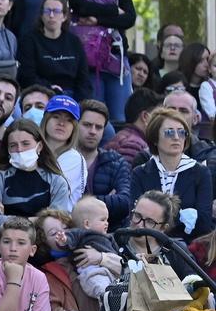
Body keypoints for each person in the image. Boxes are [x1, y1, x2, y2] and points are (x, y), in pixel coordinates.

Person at [68, 0, 136, 126]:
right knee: (92, 116)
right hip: (88, 63)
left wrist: (97, 19)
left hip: (116, 63)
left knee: (120, 118)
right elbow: (81, 7)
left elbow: (129, 19)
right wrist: (114, 10)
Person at [129, 107, 211, 241]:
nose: (177, 137)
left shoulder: (200, 172)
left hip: (187, 246)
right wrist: (182, 218)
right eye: (169, 132)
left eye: (182, 132)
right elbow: (135, 218)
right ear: (155, 138)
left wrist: (156, 219)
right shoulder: (140, 173)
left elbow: (204, 223)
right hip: (146, 243)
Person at [0, 119, 71, 233]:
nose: (19, 150)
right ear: (8, 149)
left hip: (42, 248)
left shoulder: (57, 181)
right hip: (5, 246)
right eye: (13, 145)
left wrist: (7, 218)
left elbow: (55, 225)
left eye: (26, 144)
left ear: (39, 146)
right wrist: (39, 220)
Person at [17, 0, 91, 100]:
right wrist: (48, 88)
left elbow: (83, 78)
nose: (51, 15)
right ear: (42, 15)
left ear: (64, 16)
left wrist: (79, 103)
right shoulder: (29, 40)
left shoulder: (74, 42)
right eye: (47, 11)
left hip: (72, 95)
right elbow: (27, 76)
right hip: (41, 94)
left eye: (56, 11)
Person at [77, 99, 132, 223]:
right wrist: (108, 199)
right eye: (87, 125)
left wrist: (80, 202)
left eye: (98, 127)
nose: (92, 131)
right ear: (76, 125)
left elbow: (125, 203)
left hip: (109, 234)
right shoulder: (63, 160)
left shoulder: (117, 162)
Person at [41, 94, 87, 204]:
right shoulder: (31, 148)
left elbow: (49, 193)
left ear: (74, 127)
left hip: (58, 218)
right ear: (46, 119)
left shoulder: (74, 158)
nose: (61, 123)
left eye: (68, 120)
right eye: (56, 116)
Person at [104, 87, 161, 164]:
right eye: (158, 115)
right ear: (145, 117)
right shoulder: (133, 145)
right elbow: (127, 175)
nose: (162, 122)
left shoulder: (127, 138)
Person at [177, 43, 210, 108]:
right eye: (200, 60)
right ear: (190, 61)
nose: (207, 64)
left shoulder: (211, 86)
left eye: (208, 59)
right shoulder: (178, 85)